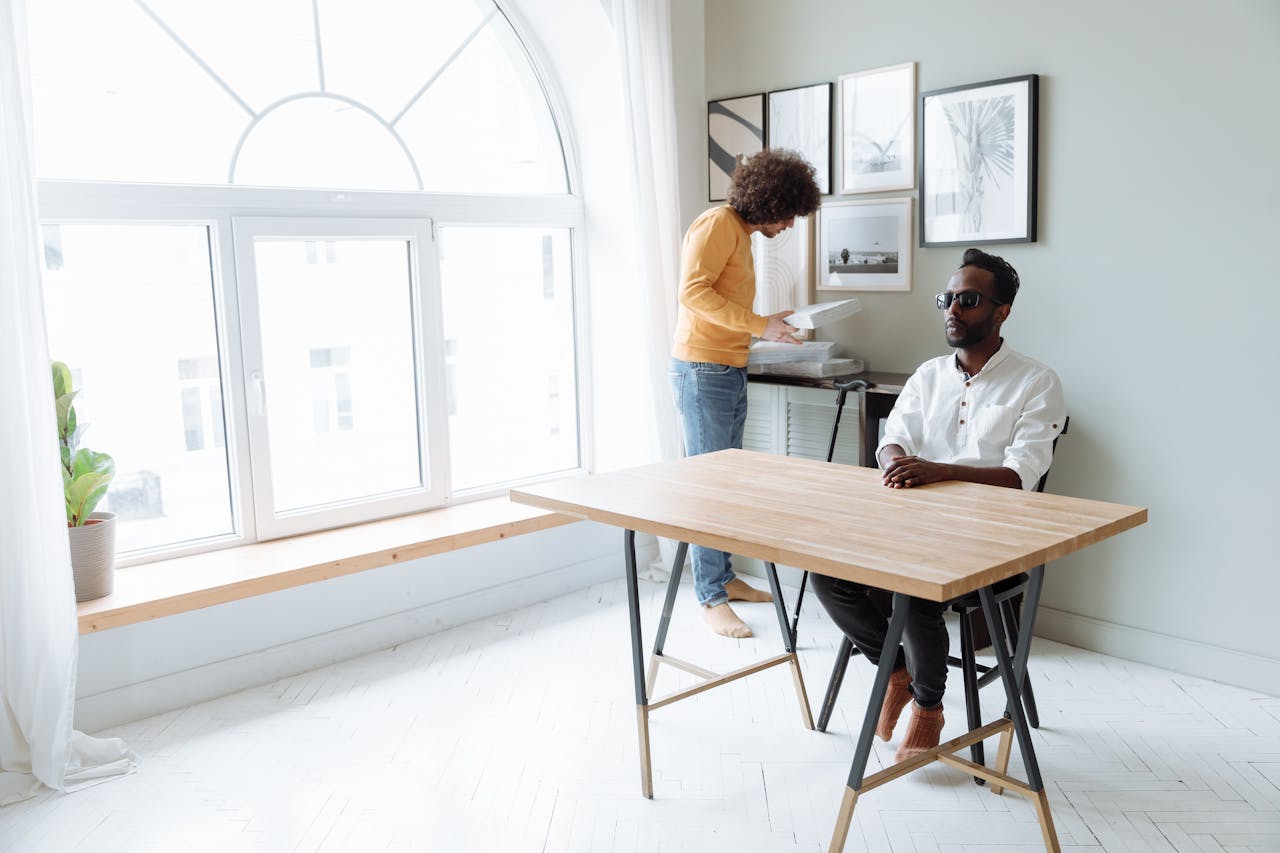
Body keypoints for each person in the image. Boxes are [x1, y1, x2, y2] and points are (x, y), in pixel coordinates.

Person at [811, 248, 1066, 761]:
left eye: (967, 300)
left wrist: (938, 471)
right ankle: (898, 672)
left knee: (912, 583)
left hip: (992, 535)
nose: (952, 309)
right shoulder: (928, 375)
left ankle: (929, 704)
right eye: (947, 299)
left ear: (1001, 311)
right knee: (825, 571)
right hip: (912, 520)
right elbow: (893, 438)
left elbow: (1020, 476)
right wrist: (896, 462)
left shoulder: (1036, 382)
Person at [670, 149, 822, 639]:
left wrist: (767, 328)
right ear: (772, 201)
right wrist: (761, 325)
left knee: (726, 482)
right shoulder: (718, 223)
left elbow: (724, 300)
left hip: (728, 368)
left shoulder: (740, 233)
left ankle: (726, 578)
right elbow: (692, 292)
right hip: (702, 369)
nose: (791, 225)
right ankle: (710, 596)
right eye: (791, 214)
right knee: (708, 486)